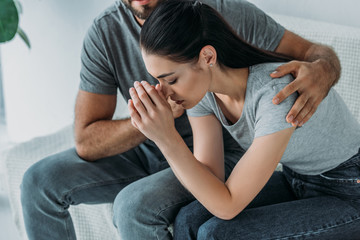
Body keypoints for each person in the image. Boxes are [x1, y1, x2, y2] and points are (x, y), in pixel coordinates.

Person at [20, 0, 342, 239]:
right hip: (151, 146)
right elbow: (86, 141)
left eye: (170, 79)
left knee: (134, 207)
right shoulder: (106, 31)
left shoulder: (214, 14)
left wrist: (325, 70)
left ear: (208, 57)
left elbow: (313, 52)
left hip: (224, 154)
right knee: (38, 181)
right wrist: (149, 123)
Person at [129, 0, 360, 239]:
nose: (164, 92)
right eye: (158, 80)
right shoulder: (203, 95)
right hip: (297, 179)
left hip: (348, 189)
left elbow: (227, 206)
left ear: (207, 57)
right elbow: (211, 178)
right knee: (189, 218)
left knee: (216, 234)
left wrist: (166, 137)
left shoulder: (275, 95)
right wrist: (162, 132)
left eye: (171, 80)